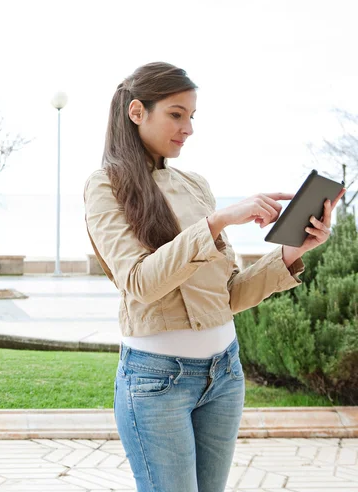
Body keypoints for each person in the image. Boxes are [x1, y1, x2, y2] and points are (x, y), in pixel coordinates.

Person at [83, 62, 345, 492]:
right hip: (156, 383)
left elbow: (228, 297)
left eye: (192, 116)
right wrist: (218, 221)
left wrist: (293, 251)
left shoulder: (195, 184)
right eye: (176, 113)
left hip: (225, 375)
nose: (188, 128)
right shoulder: (104, 186)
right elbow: (140, 283)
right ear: (136, 112)